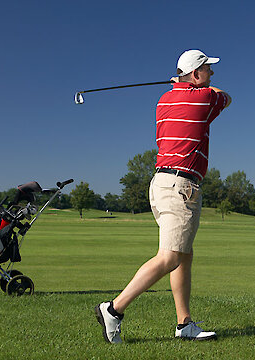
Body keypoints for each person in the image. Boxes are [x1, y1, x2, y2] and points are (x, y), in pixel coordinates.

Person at [95, 49, 232, 344]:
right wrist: (194, 85)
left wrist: (180, 83)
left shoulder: (164, 100)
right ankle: (113, 309)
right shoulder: (204, 97)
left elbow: (190, 89)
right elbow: (226, 96)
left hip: (163, 184)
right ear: (196, 75)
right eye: (208, 70)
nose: (212, 75)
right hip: (180, 186)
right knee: (170, 257)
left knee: (183, 255)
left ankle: (185, 324)